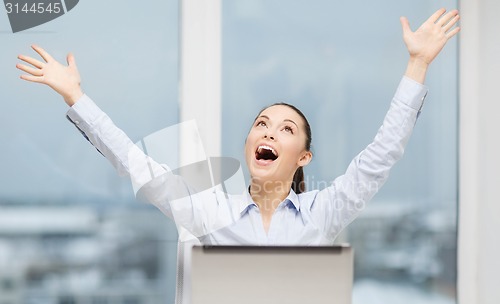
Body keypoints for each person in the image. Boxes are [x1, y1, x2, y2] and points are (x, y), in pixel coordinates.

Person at [16, 9, 460, 246]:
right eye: (261, 124)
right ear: (248, 143)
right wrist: (76, 96)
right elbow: (134, 164)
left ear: (304, 157)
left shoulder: (326, 211)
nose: (268, 133)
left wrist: (418, 63)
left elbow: (381, 157)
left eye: (286, 130)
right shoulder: (210, 212)